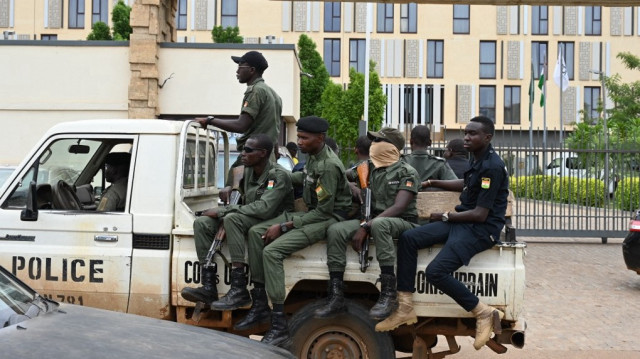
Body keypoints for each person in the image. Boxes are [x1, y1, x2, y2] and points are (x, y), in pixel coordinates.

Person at [375, 116, 510, 351]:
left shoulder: (492, 167)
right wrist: (431, 182)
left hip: (481, 230)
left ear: (487, 137)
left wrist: (446, 216)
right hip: (463, 223)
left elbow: (480, 214)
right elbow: (466, 185)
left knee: (436, 271)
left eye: (473, 134)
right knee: (409, 238)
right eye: (466, 133)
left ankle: (483, 312)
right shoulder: (477, 159)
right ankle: (405, 306)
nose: (467, 137)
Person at [241, 116, 352, 349]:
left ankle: (279, 324)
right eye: (298, 137)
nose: (299, 141)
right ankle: (260, 302)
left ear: (320, 138)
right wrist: (279, 176)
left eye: (304, 138)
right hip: (313, 214)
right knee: (255, 232)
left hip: (328, 217)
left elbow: (324, 211)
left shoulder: (329, 165)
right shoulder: (313, 158)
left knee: (271, 252)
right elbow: (305, 178)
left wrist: (283, 226)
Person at [180, 135, 294, 317]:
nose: (243, 154)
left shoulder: (277, 175)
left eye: (248, 150)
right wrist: (229, 189)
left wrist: (224, 211)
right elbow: (240, 194)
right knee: (202, 223)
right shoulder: (248, 170)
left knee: (232, 218)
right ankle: (209, 286)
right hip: (249, 214)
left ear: (263, 154)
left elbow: (265, 208)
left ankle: (239, 286)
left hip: (272, 217)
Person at [314, 127, 420, 321]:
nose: (373, 145)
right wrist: (351, 186)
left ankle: (388, 293)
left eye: (378, 141)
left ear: (392, 147)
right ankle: (336, 292)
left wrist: (366, 226)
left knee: (381, 225)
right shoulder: (368, 166)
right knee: (336, 230)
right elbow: (341, 176)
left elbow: (399, 207)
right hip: (371, 219)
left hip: (402, 222)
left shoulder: (406, 171)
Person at [195, 51, 282, 198]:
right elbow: (274, 129)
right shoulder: (274, 95)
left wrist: (210, 120)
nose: (237, 71)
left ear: (252, 70)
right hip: (266, 158)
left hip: (253, 159)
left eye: (241, 66)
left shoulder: (255, 91)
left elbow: (241, 125)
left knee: (237, 200)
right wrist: (274, 151)